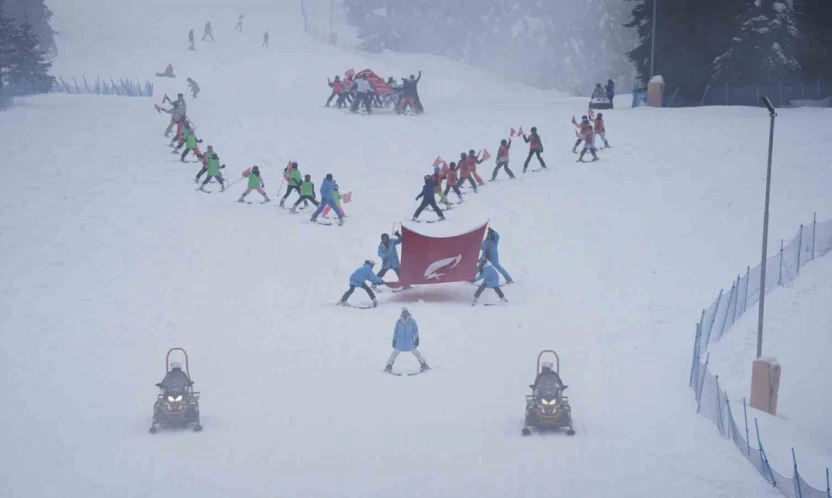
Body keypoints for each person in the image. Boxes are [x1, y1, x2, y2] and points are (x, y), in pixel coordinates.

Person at [384, 308, 430, 373]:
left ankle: (424, 365)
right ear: (402, 313)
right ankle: (388, 366)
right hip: (400, 342)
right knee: (394, 354)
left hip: (410, 342)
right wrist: (394, 340)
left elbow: (415, 331)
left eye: (406, 312)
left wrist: (417, 339)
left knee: (416, 353)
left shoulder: (412, 321)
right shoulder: (398, 321)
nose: (404, 314)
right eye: (403, 313)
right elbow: (395, 332)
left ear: (408, 313)